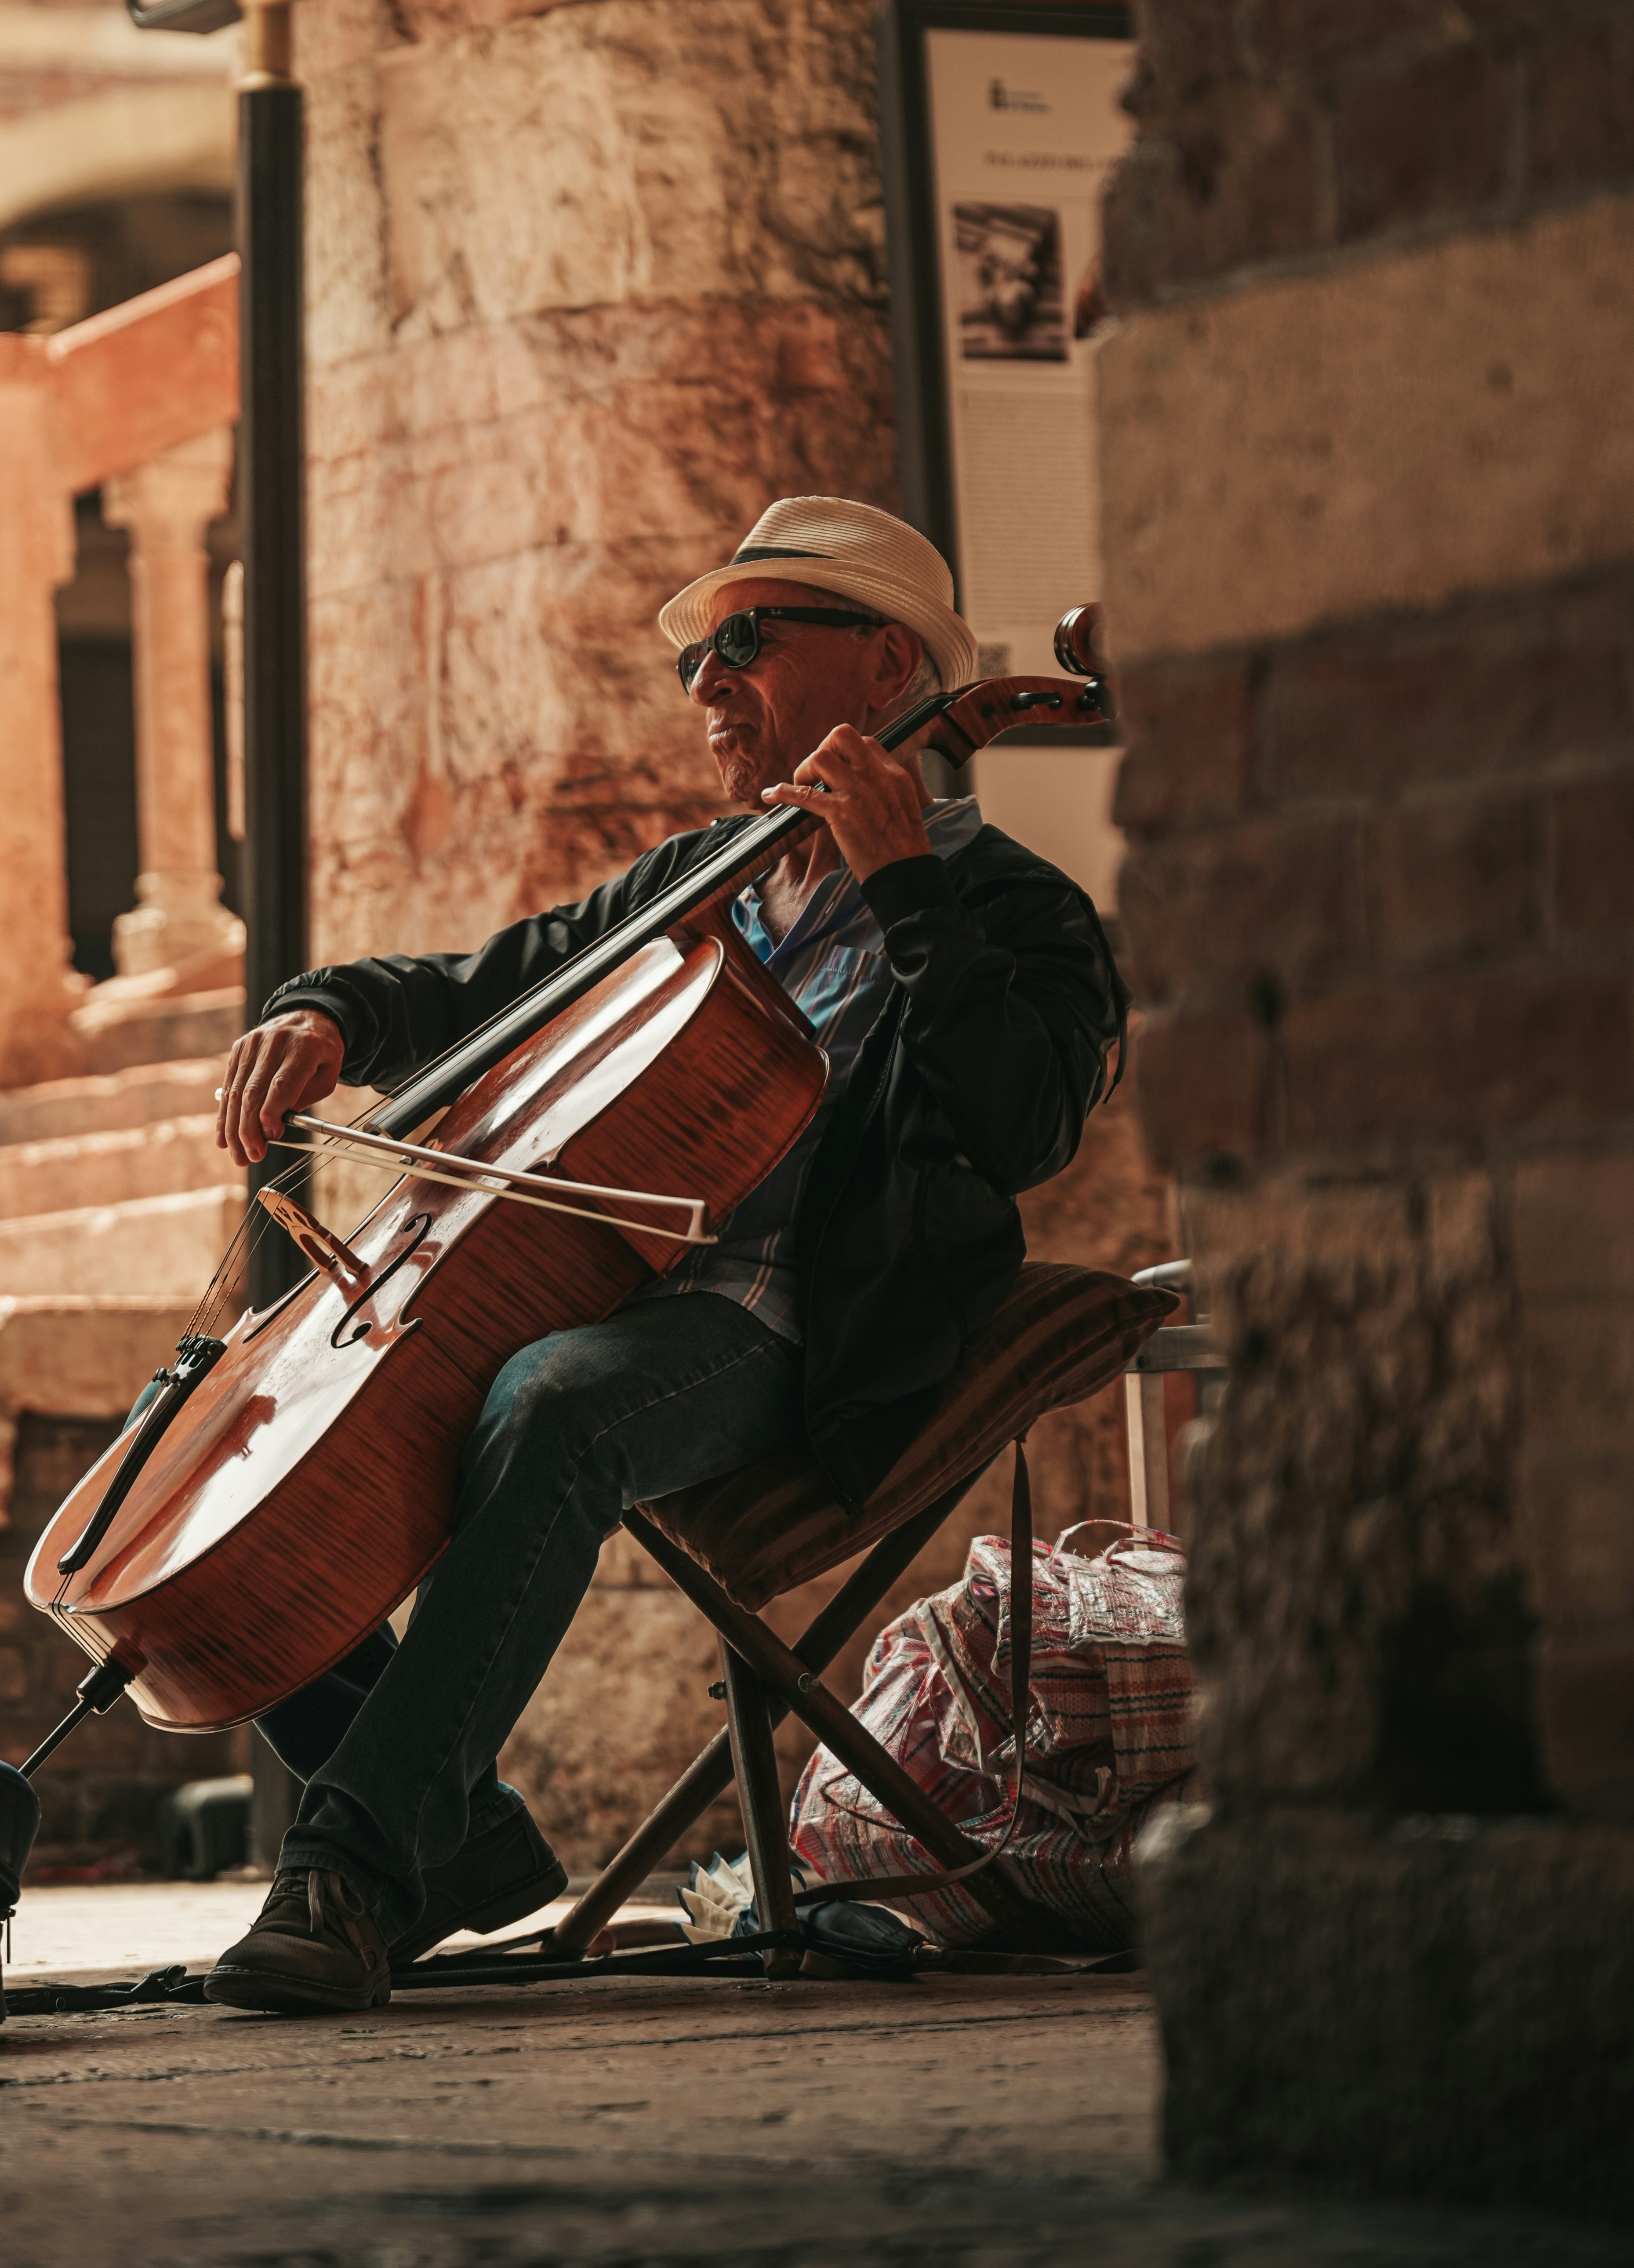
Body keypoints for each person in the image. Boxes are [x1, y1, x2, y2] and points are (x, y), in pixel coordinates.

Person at [203, 495, 1125, 2016]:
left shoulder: (1017, 905)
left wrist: (903, 885)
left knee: (557, 1400)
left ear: (890, 666)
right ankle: (471, 1839)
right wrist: (331, 1013)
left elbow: (1020, 1123)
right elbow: (479, 984)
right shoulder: (696, 882)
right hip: (598, 1296)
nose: (704, 681)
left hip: (789, 1335)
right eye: (696, 654)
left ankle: (356, 1867)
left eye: (745, 642)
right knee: (242, 1451)